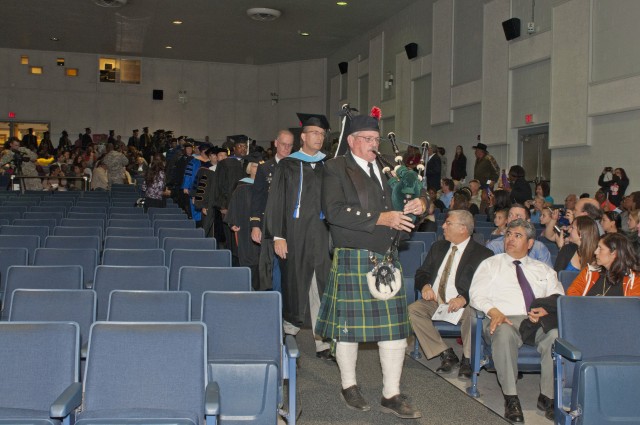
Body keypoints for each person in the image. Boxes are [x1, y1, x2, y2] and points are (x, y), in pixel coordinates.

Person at [316, 110, 428, 419]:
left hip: (388, 259)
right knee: (348, 329)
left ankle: (391, 393)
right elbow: (334, 211)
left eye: (376, 139)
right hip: (354, 256)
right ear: (351, 141)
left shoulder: (388, 168)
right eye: (367, 139)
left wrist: (420, 203)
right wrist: (381, 217)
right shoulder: (335, 168)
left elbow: (414, 195)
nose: (374, 144)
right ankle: (349, 385)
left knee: (393, 331)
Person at [470, 219, 564, 422]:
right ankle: (511, 398)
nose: (510, 239)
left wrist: (546, 311)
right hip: (503, 319)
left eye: (517, 236)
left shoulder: (543, 270)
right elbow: (476, 294)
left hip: (535, 322)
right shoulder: (490, 264)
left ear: (530, 243)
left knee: (555, 335)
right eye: (508, 235)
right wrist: (493, 311)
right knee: (503, 332)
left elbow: (558, 296)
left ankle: (547, 397)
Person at [264, 115, 332, 359]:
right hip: (294, 233)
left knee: (321, 284)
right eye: (314, 133)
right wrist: (278, 235)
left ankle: (323, 342)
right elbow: (276, 202)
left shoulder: (328, 165)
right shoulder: (288, 165)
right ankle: (288, 335)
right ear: (303, 136)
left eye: (322, 134)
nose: (319, 137)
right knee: (295, 282)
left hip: (322, 233)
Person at [409, 210, 493, 379]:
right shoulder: (438, 247)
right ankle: (445, 353)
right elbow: (421, 272)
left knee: (473, 314)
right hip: (436, 301)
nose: (443, 226)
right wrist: (425, 286)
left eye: (448, 223)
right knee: (413, 310)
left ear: (463, 228)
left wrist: (464, 298)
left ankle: (468, 359)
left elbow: (485, 286)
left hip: (463, 305)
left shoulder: (483, 254)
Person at [251, 130, 294, 292]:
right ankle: (274, 300)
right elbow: (258, 198)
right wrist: (255, 225)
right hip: (269, 224)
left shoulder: (296, 166)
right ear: (275, 143)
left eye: (290, 145)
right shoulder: (265, 168)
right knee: (271, 267)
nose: (286, 148)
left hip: (291, 225)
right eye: (283, 144)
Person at [224, 152, 263, 290]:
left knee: (263, 261)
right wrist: (232, 222)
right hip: (246, 229)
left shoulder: (268, 186)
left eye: (260, 166)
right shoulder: (241, 186)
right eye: (254, 166)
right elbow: (233, 206)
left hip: (264, 228)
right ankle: (248, 289)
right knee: (249, 259)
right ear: (248, 168)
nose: (257, 169)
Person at [567, 233, 640, 297]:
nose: (595, 252)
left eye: (600, 248)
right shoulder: (590, 272)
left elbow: (633, 308)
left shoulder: (634, 279)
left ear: (614, 253)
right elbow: (572, 296)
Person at [486, 204, 553, 267]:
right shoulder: (493, 246)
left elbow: (547, 276)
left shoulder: (539, 248)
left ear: (528, 221)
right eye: (510, 215)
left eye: (518, 216)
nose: (513, 219)